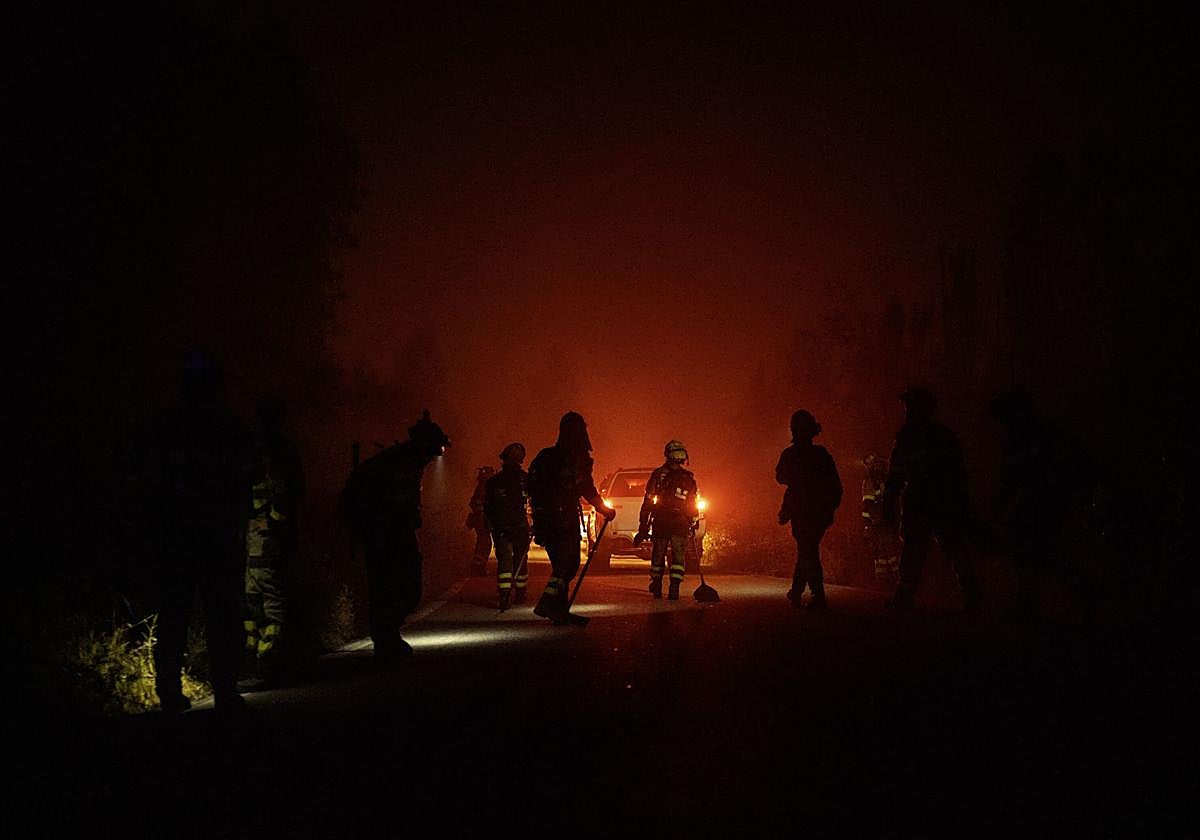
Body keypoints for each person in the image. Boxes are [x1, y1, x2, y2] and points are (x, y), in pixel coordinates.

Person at [139, 352, 251, 713]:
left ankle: (172, 692)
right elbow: (243, 482)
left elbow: (147, 483)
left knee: (177, 615)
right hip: (210, 537)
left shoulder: (166, 426)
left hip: (180, 538)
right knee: (219, 615)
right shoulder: (228, 426)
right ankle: (223, 689)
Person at [341, 410, 450, 661]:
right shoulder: (399, 466)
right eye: (433, 452)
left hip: (391, 534)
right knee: (390, 587)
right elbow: (391, 507)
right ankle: (386, 641)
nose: (433, 459)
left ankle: (387, 637)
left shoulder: (406, 464)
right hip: (384, 535)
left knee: (401, 587)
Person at [988, 385, 1093, 618]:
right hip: (1049, 500)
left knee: (1031, 551)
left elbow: (1013, 477)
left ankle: (1074, 593)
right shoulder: (1042, 432)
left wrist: (999, 509)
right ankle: (1081, 591)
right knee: (1038, 553)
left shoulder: (1021, 438)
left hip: (1039, 501)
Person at [880, 386, 981, 611]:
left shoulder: (909, 437)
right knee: (953, 547)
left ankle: (905, 595)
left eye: (908, 407)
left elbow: (896, 474)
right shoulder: (943, 435)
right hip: (943, 500)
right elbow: (959, 473)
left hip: (923, 501)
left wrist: (889, 501)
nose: (906, 412)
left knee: (919, 547)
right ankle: (971, 593)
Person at [240, 394, 304, 691]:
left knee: (252, 609)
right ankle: (267, 665)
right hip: (269, 544)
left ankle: (246, 664)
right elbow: (287, 497)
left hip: (247, 545)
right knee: (274, 609)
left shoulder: (244, 447)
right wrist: (281, 527)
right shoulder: (279, 452)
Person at [528, 412, 615, 623]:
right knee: (569, 563)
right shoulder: (576, 458)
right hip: (563, 517)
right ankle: (548, 603)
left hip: (544, 518)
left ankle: (558, 609)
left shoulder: (544, 456)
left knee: (560, 563)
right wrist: (603, 509)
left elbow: (532, 486)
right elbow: (585, 486)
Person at [776, 410, 843, 610]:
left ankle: (818, 595)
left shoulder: (791, 455)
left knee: (807, 551)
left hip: (802, 512)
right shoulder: (821, 455)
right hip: (819, 513)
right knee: (807, 549)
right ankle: (797, 591)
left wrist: (787, 510)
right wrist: (829, 510)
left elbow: (781, 478)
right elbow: (836, 487)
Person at [634, 440, 700, 600]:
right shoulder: (688, 478)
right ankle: (674, 588)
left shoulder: (658, 475)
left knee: (658, 554)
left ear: (667, 455)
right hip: (680, 522)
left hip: (661, 520)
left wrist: (643, 525)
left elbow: (648, 501)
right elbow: (692, 503)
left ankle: (656, 584)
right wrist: (694, 520)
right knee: (678, 556)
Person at [484, 443, 530, 610]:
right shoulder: (525, 479)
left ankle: (504, 594)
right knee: (520, 560)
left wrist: (493, 525)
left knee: (505, 561)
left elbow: (488, 508)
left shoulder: (493, 482)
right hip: (517, 527)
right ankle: (519, 593)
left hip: (502, 528)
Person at [861, 454, 900, 588]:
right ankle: (889, 584)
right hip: (883, 522)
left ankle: (886, 585)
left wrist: (868, 525)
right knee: (887, 553)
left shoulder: (876, 480)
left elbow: (869, 504)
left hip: (882, 522)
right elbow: (869, 504)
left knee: (885, 554)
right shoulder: (878, 480)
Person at [465, 466, 495, 576]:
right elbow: (477, 503)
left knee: (484, 541)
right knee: (485, 542)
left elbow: (473, 502)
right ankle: (477, 568)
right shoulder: (485, 487)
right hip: (482, 519)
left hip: (481, 518)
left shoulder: (482, 486)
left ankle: (478, 567)